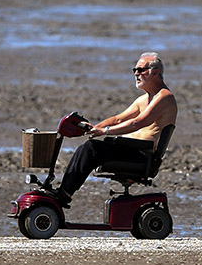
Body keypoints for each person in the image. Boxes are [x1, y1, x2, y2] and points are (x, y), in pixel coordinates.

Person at [48, 52, 177, 205]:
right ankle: (62, 191)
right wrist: (95, 128)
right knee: (86, 148)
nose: (136, 74)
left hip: (143, 155)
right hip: (130, 148)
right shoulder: (144, 99)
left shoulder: (164, 97)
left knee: (90, 149)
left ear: (155, 72)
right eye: (134, 70)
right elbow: (118, 119)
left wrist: (105, 131)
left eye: (140, 70)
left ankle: (64, 194)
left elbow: (137, 123)